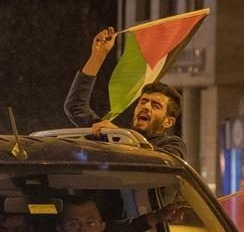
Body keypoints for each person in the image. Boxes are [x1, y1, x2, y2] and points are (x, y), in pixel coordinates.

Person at [63, 26, 188, 160]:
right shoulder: (112, 135)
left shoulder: (174, 145)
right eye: (143, 101)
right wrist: (97, 56)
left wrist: (122, 135)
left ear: (168, 122)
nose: (146, 107)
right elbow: (76, 108)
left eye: (156, 105)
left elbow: (160, 161)